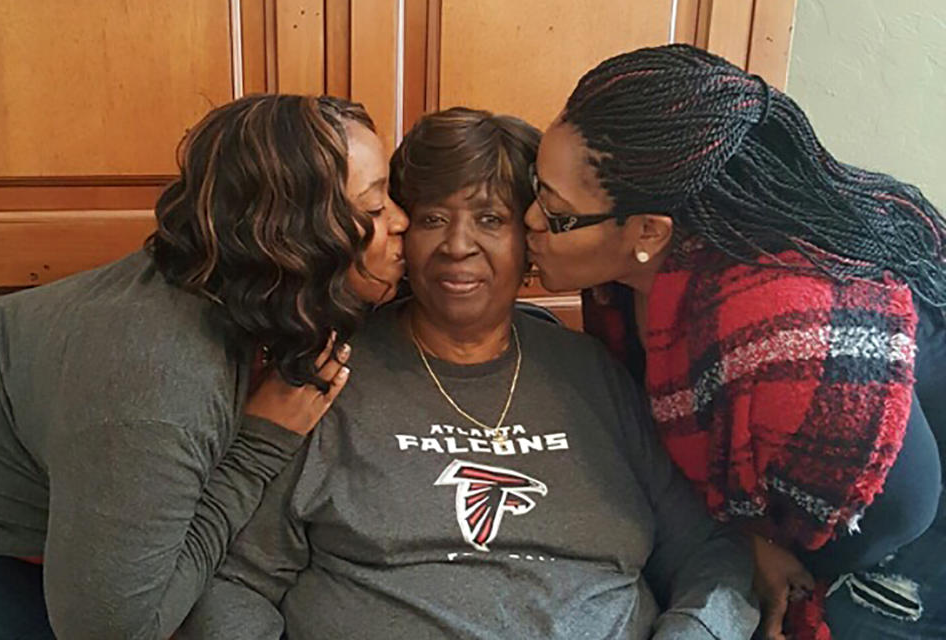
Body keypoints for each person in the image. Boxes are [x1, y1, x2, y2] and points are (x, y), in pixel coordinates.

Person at [177, 106, 758, 640]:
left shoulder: (596, 376)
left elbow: (709, 554)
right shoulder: (325, 373)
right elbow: (237, 580)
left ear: (530, 236)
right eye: (432, 217)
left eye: (489, 218)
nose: (458, 245)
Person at [523, 43, 946, 639]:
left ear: (648, 231)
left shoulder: (785, 339)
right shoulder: (649, 266)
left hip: (895, 522)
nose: (529, 221)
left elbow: (905, 504)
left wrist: (773, 546)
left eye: (555, 213)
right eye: (534, 187)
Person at [0, 94, 408, 640]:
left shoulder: (238, 282)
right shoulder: (157, 385)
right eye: (373, 209)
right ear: (290, 241)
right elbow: (113, 631)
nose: (401, 221)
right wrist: (259, 446)